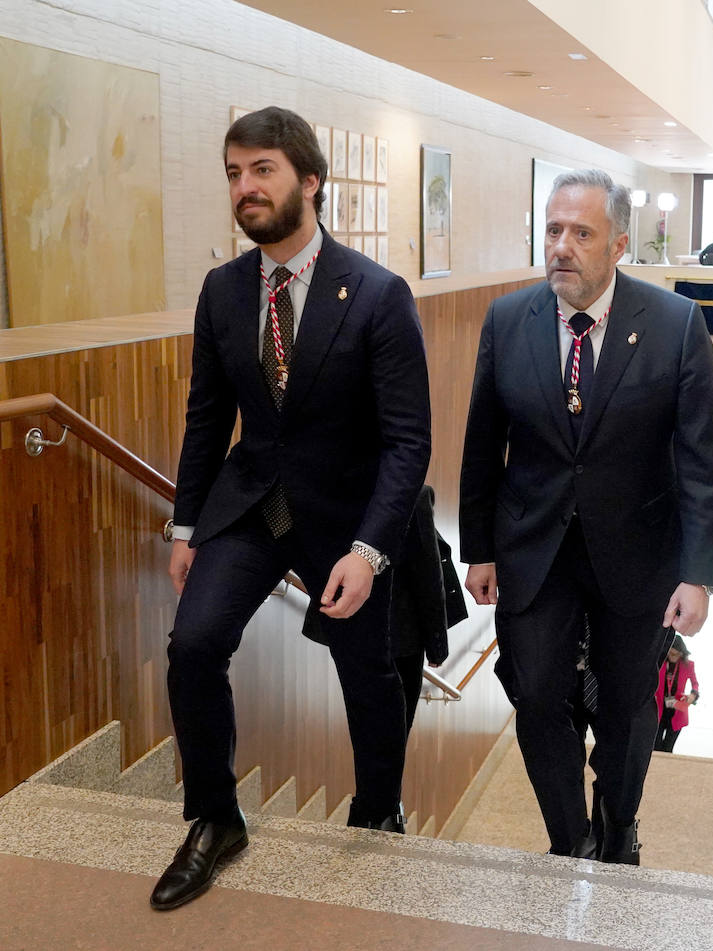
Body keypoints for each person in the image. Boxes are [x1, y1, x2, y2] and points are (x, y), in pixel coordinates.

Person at [151, 106, 431, 911]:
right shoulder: (223, 291)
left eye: (262, 169)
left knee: (368, 673)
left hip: (349, 517)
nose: (245, 188)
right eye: (234, 173)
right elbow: (208, 417)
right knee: (194, 645)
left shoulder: (378, 294)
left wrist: (370, 551)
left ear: (310, 179)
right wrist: (185, 524)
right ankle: (215, 817)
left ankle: (378, 809)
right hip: (250, 505)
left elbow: (409, 442)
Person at [459, 168, 713, 865]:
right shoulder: (506, 319)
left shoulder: (675, 325)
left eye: (581, 233)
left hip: (637, 549)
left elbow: (703, 460)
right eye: (553, 230)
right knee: (538, 692)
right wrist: (478, 548)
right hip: (534, 545)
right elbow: (483, 442)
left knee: (626, 703)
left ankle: (617, 821)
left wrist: (699, 574)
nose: (562, 246)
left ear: (616, 245)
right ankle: (568, 836)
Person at [389, 485, 467, 733]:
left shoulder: (341, 487)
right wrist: (437, 646)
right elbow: (428, 574)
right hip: (403, 637)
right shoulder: (412, 493)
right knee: (394, 736)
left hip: (357, 635)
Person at [654, 634, 700, 752]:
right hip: (658, 710)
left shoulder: (688, 665)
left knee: (668, 749)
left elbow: (695, 684)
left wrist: (693, 695)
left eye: (675, 654)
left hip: (677, 710)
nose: (672, 656)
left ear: (681, 653)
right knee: (655, 748)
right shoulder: (659, 662)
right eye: (670, 653)